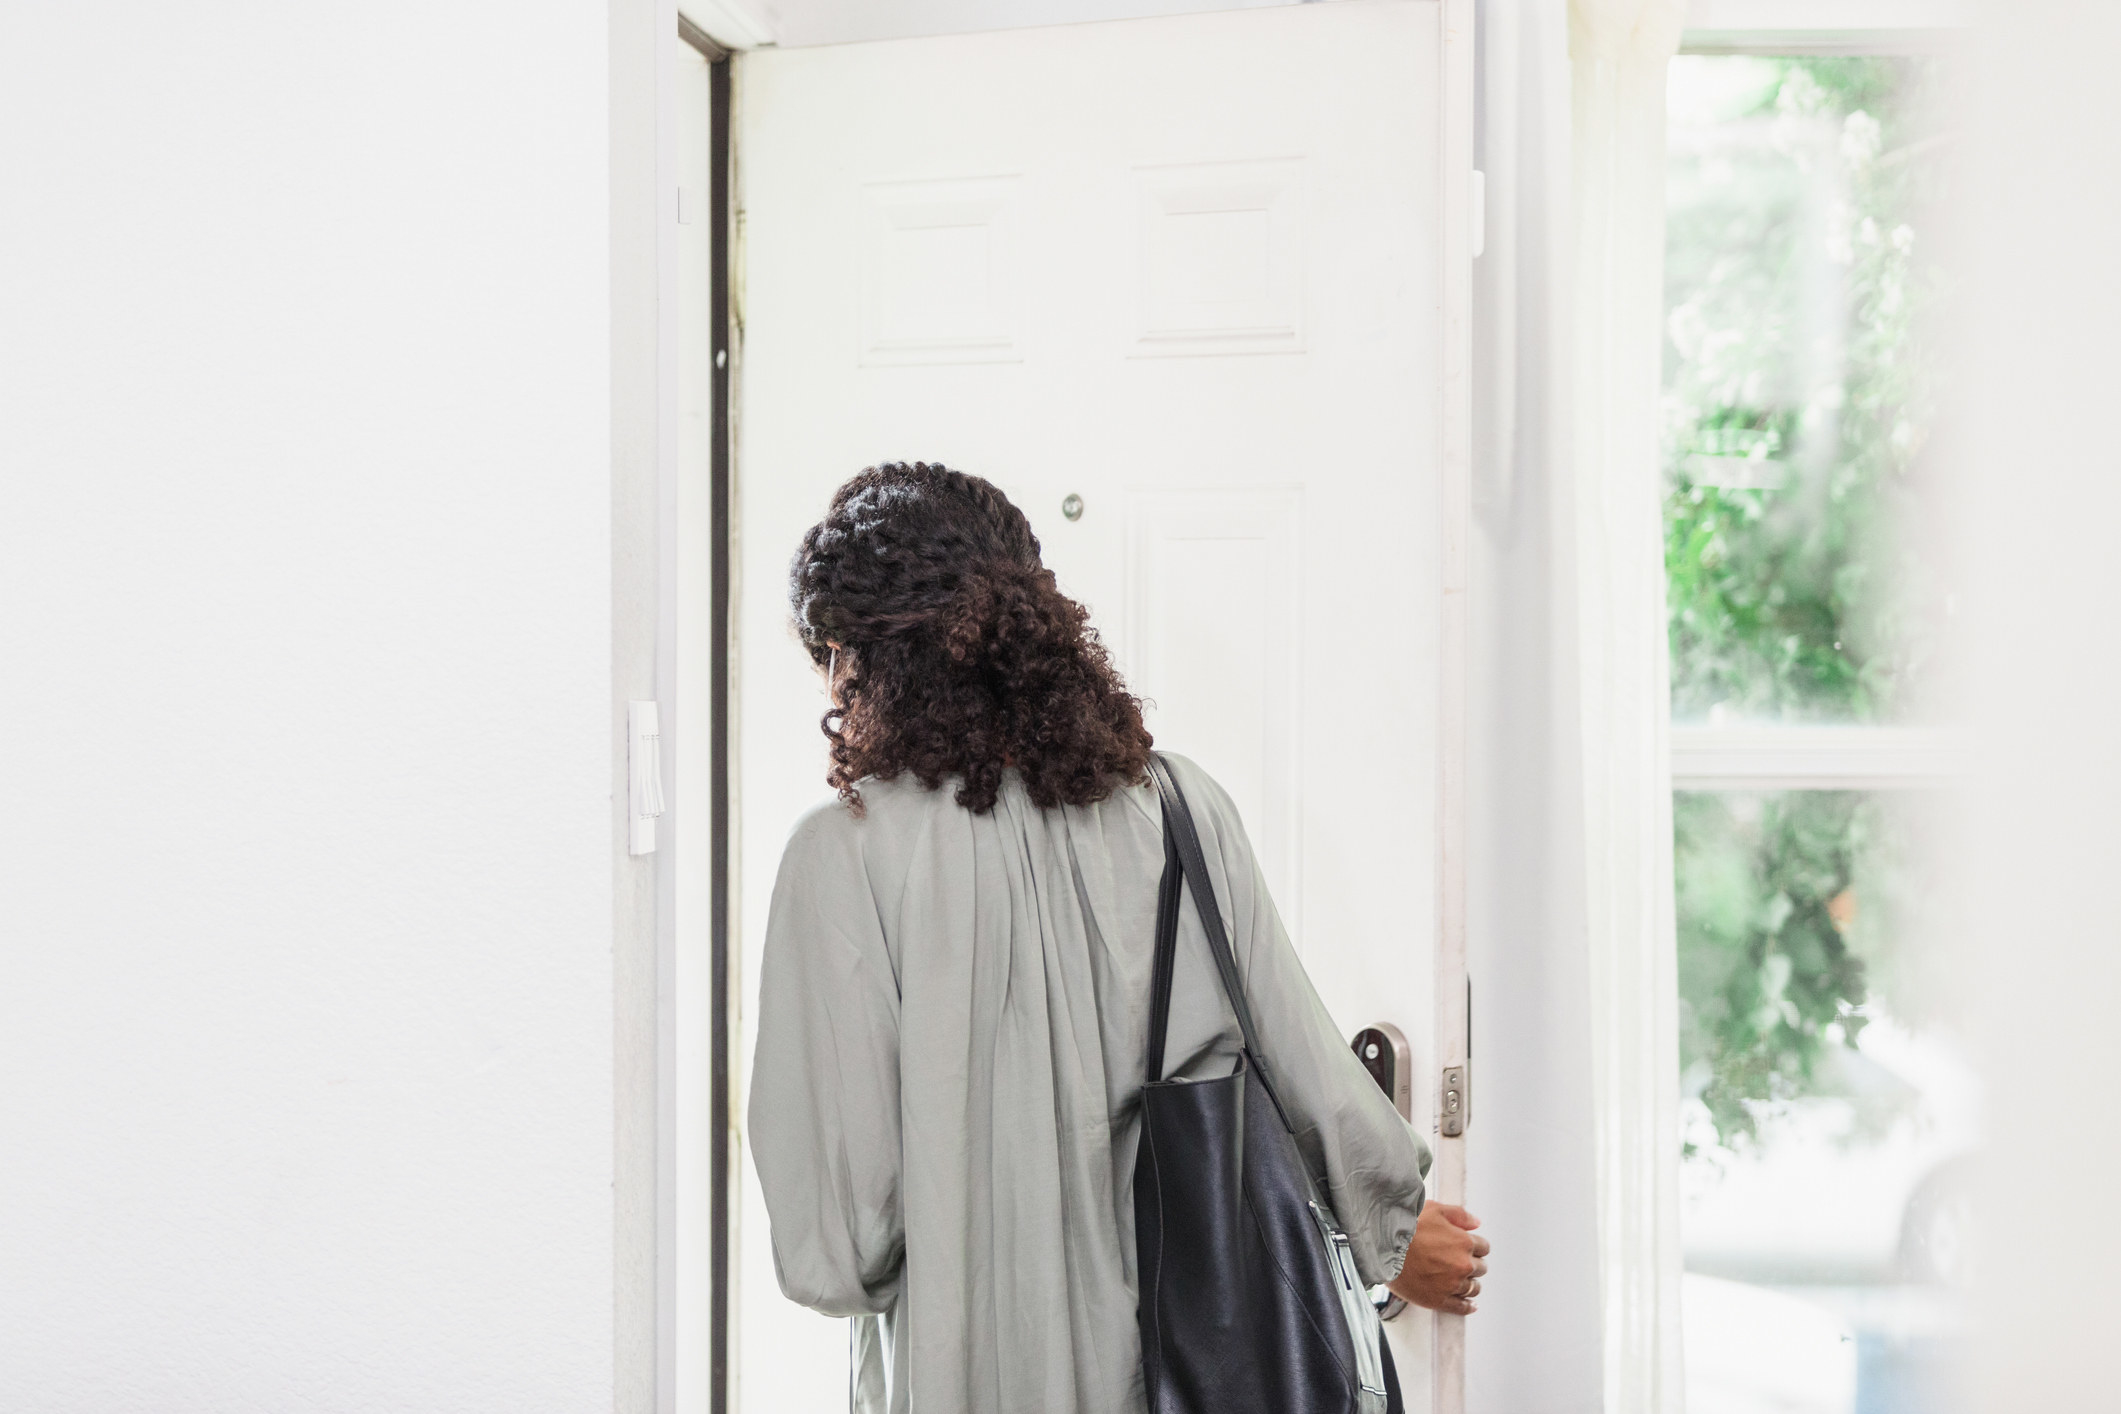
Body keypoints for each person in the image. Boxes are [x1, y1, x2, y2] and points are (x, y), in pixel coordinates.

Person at [749, 463, 1491, 1414]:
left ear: (862, 656)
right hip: (1194, 1374)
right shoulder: (1181, 808)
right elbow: (1301, 1065)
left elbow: (839, 1247)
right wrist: (1396, 1229)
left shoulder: (839, 859)